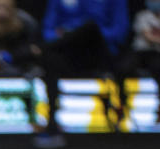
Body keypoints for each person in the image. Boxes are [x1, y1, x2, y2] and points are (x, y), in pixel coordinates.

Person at [41, 0, 130, 135]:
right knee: (49, 58)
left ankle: (33, 51)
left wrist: (71, 32)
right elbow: (48, 31)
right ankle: (52, 123)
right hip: (70, 53)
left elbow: (119, 33)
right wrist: (71, 34)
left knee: (90, 28)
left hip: (100, 54)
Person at [117, 0, 160, 125]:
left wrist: (159, 39)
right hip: (141, 52)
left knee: (159, 69)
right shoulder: (143, 16)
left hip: (159, 54)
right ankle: (122, 103)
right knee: (123, 68)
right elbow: (147, 36)